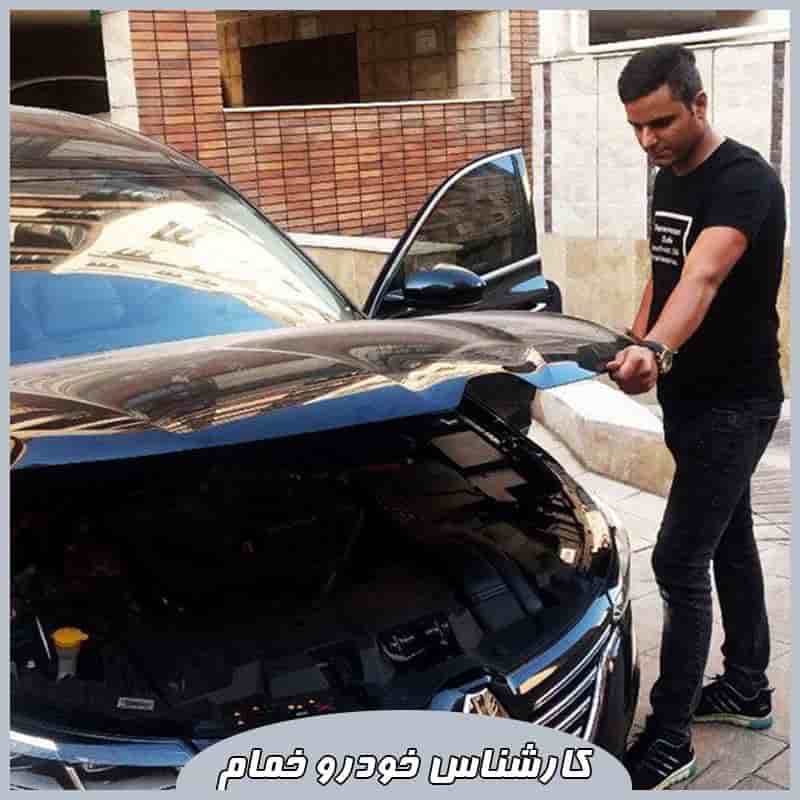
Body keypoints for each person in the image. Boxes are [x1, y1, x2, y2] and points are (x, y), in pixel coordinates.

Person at [608, 44, 785, 790]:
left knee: (679, 561)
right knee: (730, 539)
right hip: (690, 398)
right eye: (636, 127)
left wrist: (658, 348)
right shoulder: (667, 174)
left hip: (736, 405)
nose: (647, 140)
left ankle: (670, 736)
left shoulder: (745, 181)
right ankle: (746, 686)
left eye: (662, 123)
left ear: (699, 103)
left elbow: (706, 275)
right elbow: (667, 269)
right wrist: (635, 339)